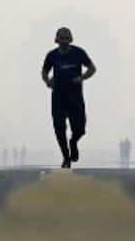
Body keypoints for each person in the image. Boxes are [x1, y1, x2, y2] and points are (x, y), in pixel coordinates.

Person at [41, 27, 97, 168]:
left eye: (67, 38)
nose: (64, 41)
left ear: (71, 39)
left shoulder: (78, 53)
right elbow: (44, 71)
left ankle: (73, 142)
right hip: (58, 97)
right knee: (59, 128)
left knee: (80, 128)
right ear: (57, 40)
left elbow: (92, 69)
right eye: (61, 38)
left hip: (75, 96)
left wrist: (82, 78)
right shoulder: (52, 55)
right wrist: (48, 81)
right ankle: (66, 157)